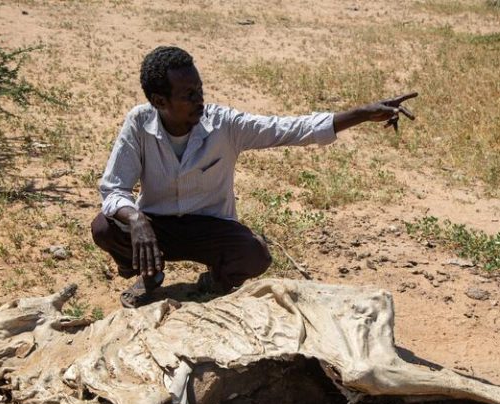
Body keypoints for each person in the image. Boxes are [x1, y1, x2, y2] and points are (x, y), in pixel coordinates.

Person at [91, 46, 416, 308]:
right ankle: (150, 274)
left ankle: (215, 281)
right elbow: (114, 188)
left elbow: (290, 129)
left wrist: (362, 114)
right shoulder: (139, 123)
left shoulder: (224, 125)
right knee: (105, 227)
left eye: (200, 90)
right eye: (188, 95)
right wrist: (137, 219)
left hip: (209, 228)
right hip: (157, 227)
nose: (199, 100)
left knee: (255, 255)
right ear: (159, 102)